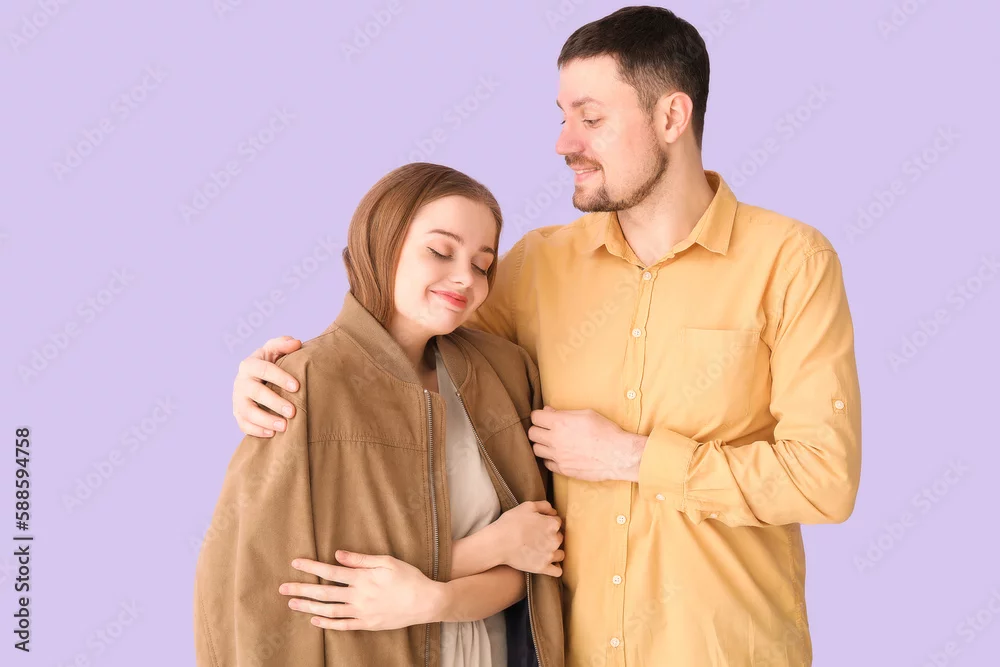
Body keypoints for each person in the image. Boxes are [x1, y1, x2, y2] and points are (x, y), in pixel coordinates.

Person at [230, 6, 862, 666]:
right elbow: (407, 349)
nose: (564, 143)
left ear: (672, 117)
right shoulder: (536, 265)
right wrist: (288, 373)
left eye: (591, 119)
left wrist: (632, 457)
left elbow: (823, 479)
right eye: (562, 117)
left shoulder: (791, 262)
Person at [194, 162, 566, 667]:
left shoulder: (504, 374)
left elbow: (534, 567)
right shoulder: (303, 384)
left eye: (483, 264)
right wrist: (491, 547)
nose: (466, 277)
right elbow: (281, 592)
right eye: (441, 251)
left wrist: (436, 598)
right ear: (382, 243)